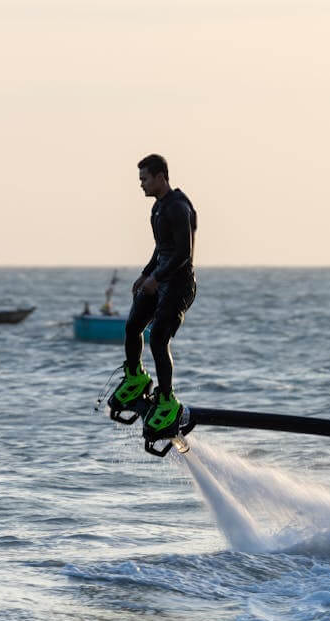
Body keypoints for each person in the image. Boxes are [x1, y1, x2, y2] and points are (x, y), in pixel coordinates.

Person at [108, 154, 197, 438]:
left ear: (161, 177)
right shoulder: (158, 208)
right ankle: (135, 376)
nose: (141, 185)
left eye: (144, 179)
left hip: (179, 285)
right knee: (132, 326)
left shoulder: (178, 207)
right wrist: (146, 273)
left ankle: (167, 399)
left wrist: (156, 278)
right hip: (158, 280)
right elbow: (161, 248)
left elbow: (183, 253)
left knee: (158, 337)